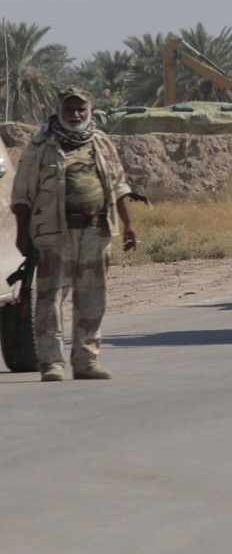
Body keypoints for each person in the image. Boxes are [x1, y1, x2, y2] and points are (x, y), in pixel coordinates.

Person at [11, 88, 139, 381]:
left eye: (81, 109)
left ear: (90, 110)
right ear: (59, 110)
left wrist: (130, 225)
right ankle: (52, 363)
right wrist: (22, 234)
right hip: (55, 235)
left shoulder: (102, 142)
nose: (76, 114)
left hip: (96, 230)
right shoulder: (41, 145)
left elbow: (120, 187)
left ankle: (86, 360)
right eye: (70, 109)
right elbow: (22, 195)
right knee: (50, 299)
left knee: (93, 298)